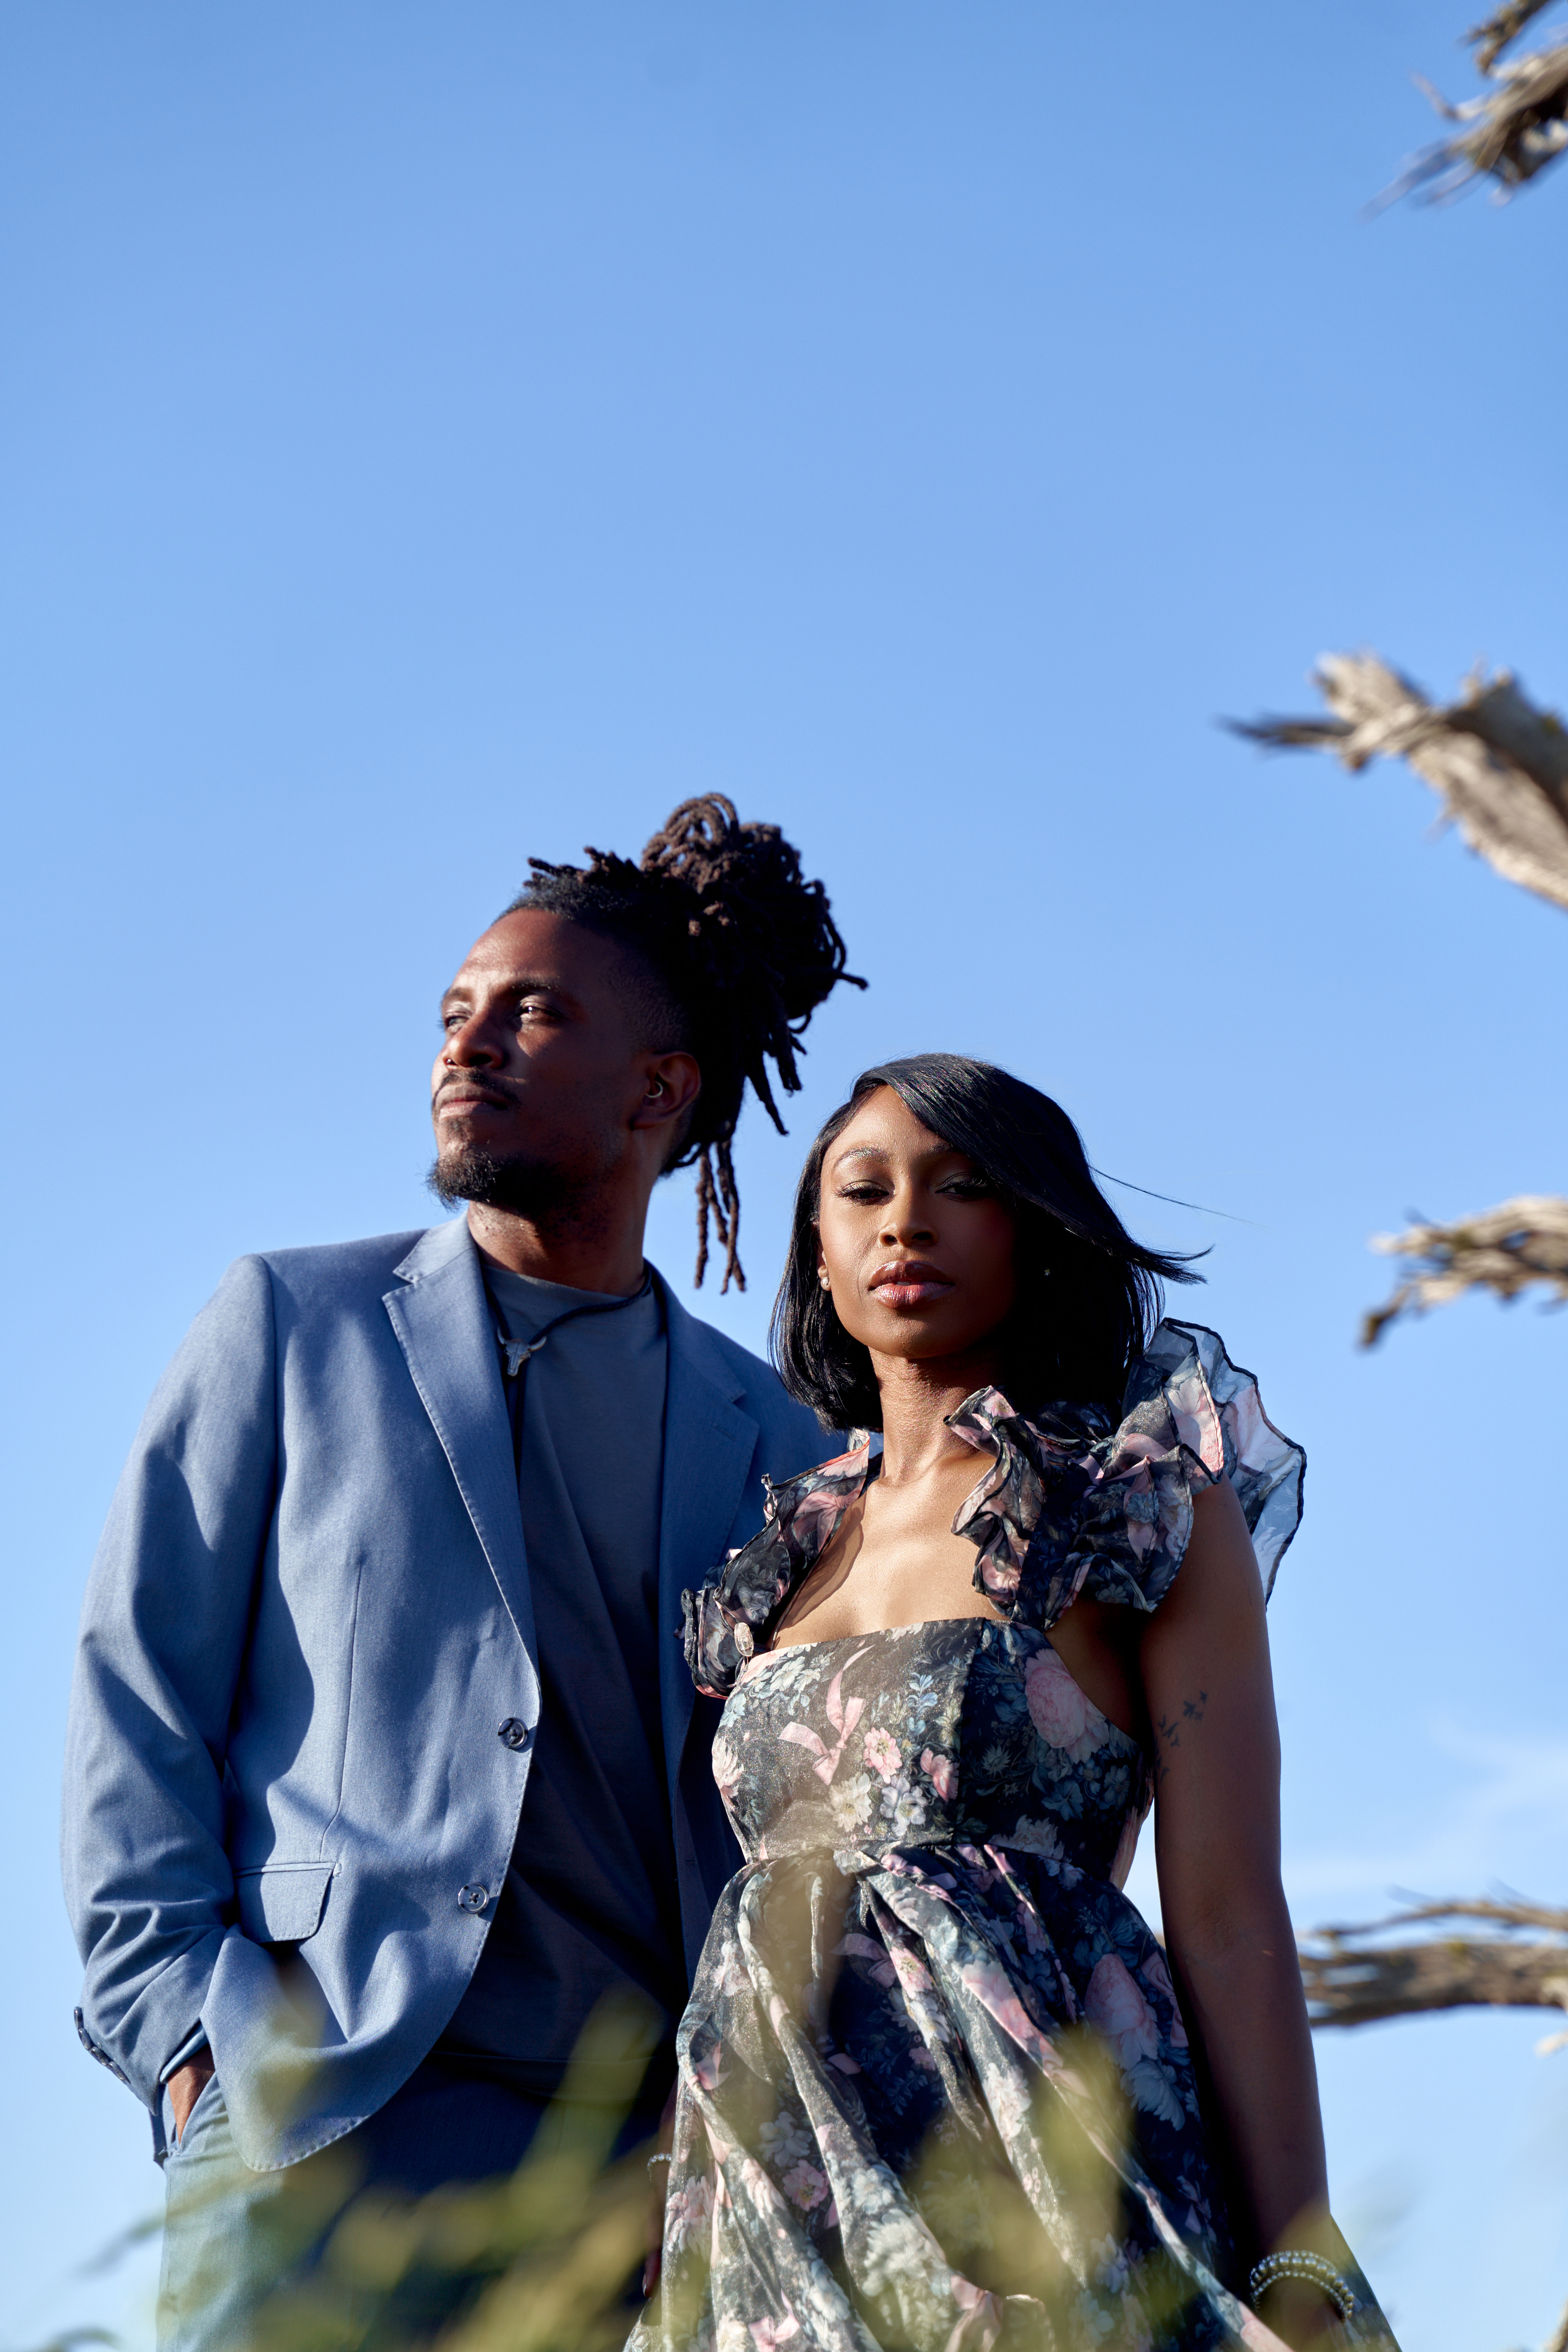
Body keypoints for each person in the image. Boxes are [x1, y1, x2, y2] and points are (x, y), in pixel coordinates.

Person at [62, 796, 863, 2349]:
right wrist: (184, 2034)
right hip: (315, 2119)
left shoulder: (780, 1443)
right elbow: (138, 1695)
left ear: (660, 1088)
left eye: (529, 1012)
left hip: (632, 2177)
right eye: (454, 1013)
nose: (466, 1045)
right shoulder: (289, 1326)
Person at [636, 1054, 1396, 2352]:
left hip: (1037, 2154)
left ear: (1035, 1234)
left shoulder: (1133, 1504)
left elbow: (1225, 1913)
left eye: (963, 1186)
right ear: (817, 1251)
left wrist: (1299, 2266)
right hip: (775, 2181)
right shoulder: (778, 1553)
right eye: (861, 1190)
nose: (904, 1221)